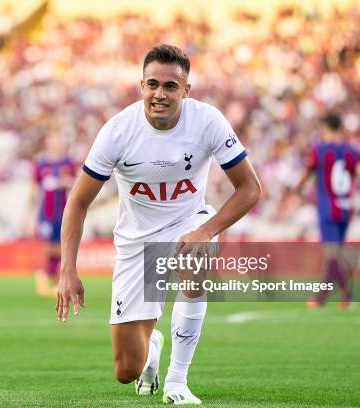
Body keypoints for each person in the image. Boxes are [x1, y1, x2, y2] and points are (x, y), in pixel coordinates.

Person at [56, 44, 261, 405]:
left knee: (195, 257)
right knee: (126, 370)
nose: (160, 94)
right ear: (141, 86)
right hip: (136, 241)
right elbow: (77, 201)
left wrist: (207, 230)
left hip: (189, 223)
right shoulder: (118, 132)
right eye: (153, 84)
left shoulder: (208, 121)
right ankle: (151, 350)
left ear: (186, 90)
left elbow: (250, 188)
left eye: (170, 86)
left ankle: (177, 382)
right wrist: (67, 269)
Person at [293, 112, 360, 309]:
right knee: (334, 253)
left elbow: (305, 176)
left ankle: (344, 296)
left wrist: (298, 190)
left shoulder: (319, 150)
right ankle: (324, 296)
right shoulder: (352, 151)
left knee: (332, 254)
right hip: (345, 209)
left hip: (327, 207)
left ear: (325, 128)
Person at [27, 132, 76, 297]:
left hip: (63, 212)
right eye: (52, 142)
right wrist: (26, 215)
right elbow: (34, 189)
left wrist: (64, 182)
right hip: (46, 214)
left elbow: (77, 185)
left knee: (61, 248)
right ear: (47, 144)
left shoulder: (68, 163)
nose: (55, 145)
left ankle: (56, 283)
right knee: (46, 248)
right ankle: (41, 282)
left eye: (57, 141)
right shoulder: (41, 164)